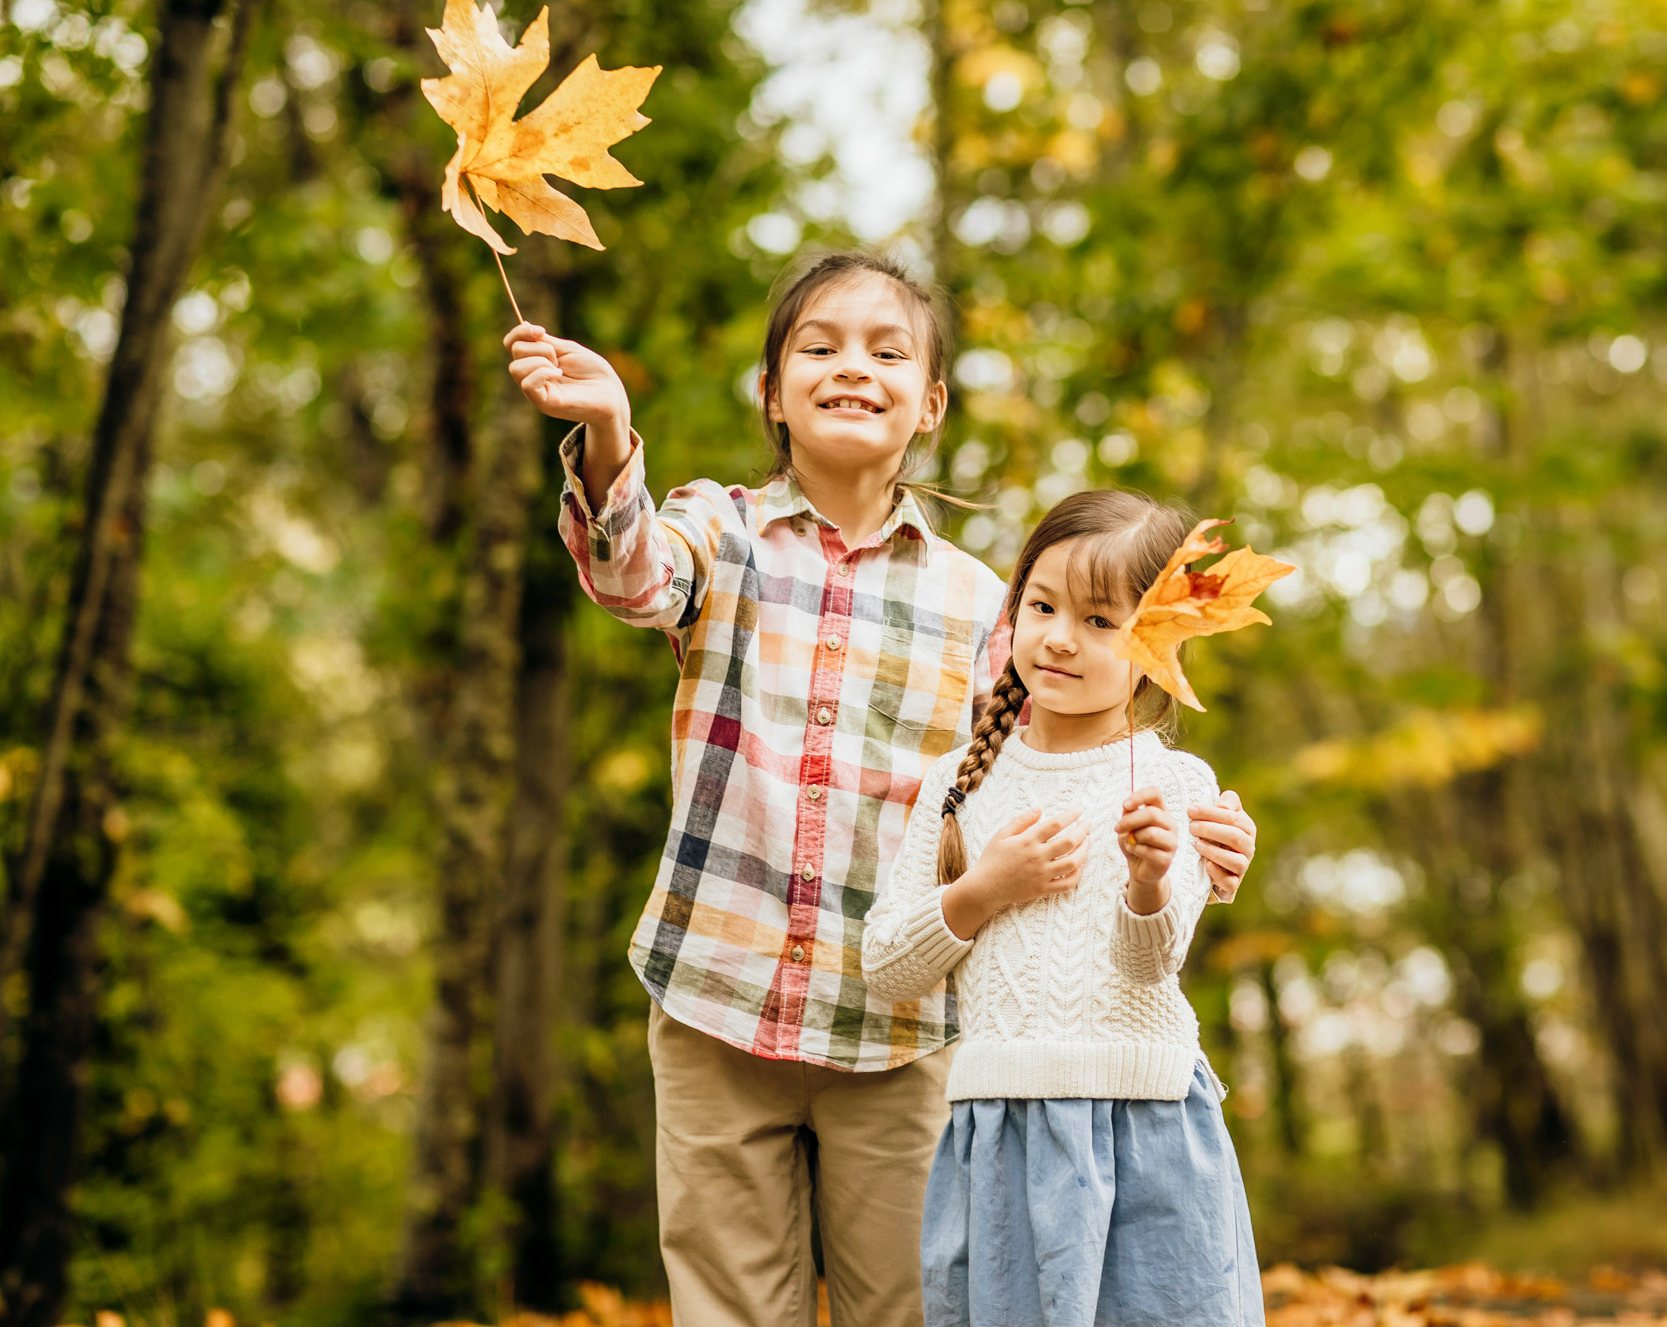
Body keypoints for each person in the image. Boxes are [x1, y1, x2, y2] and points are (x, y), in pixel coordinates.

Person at [500, 250, 1259, 1327]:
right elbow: (630, 574)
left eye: (885, 350)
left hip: (902, 1038)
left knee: (910, 1306)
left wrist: (1194, 820)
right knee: (729, 1307)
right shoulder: (718, 533)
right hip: (719, 995)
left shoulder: (982, 604)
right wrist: (611, 432)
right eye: (818, 346)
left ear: (930, 404)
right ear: (771, 391)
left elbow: (1070, 750)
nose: (850, 367)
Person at [861, 489, 1264, 1327]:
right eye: (1041, 605)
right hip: (1001, 1136)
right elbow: (887, 965)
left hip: (1149, 1129)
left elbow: (1152, 965)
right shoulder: (959, 783)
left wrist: (1149, 880)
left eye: (1100, 620)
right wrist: (982, 891)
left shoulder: (1177, 786)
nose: (1059, 637)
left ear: (1156, 643)